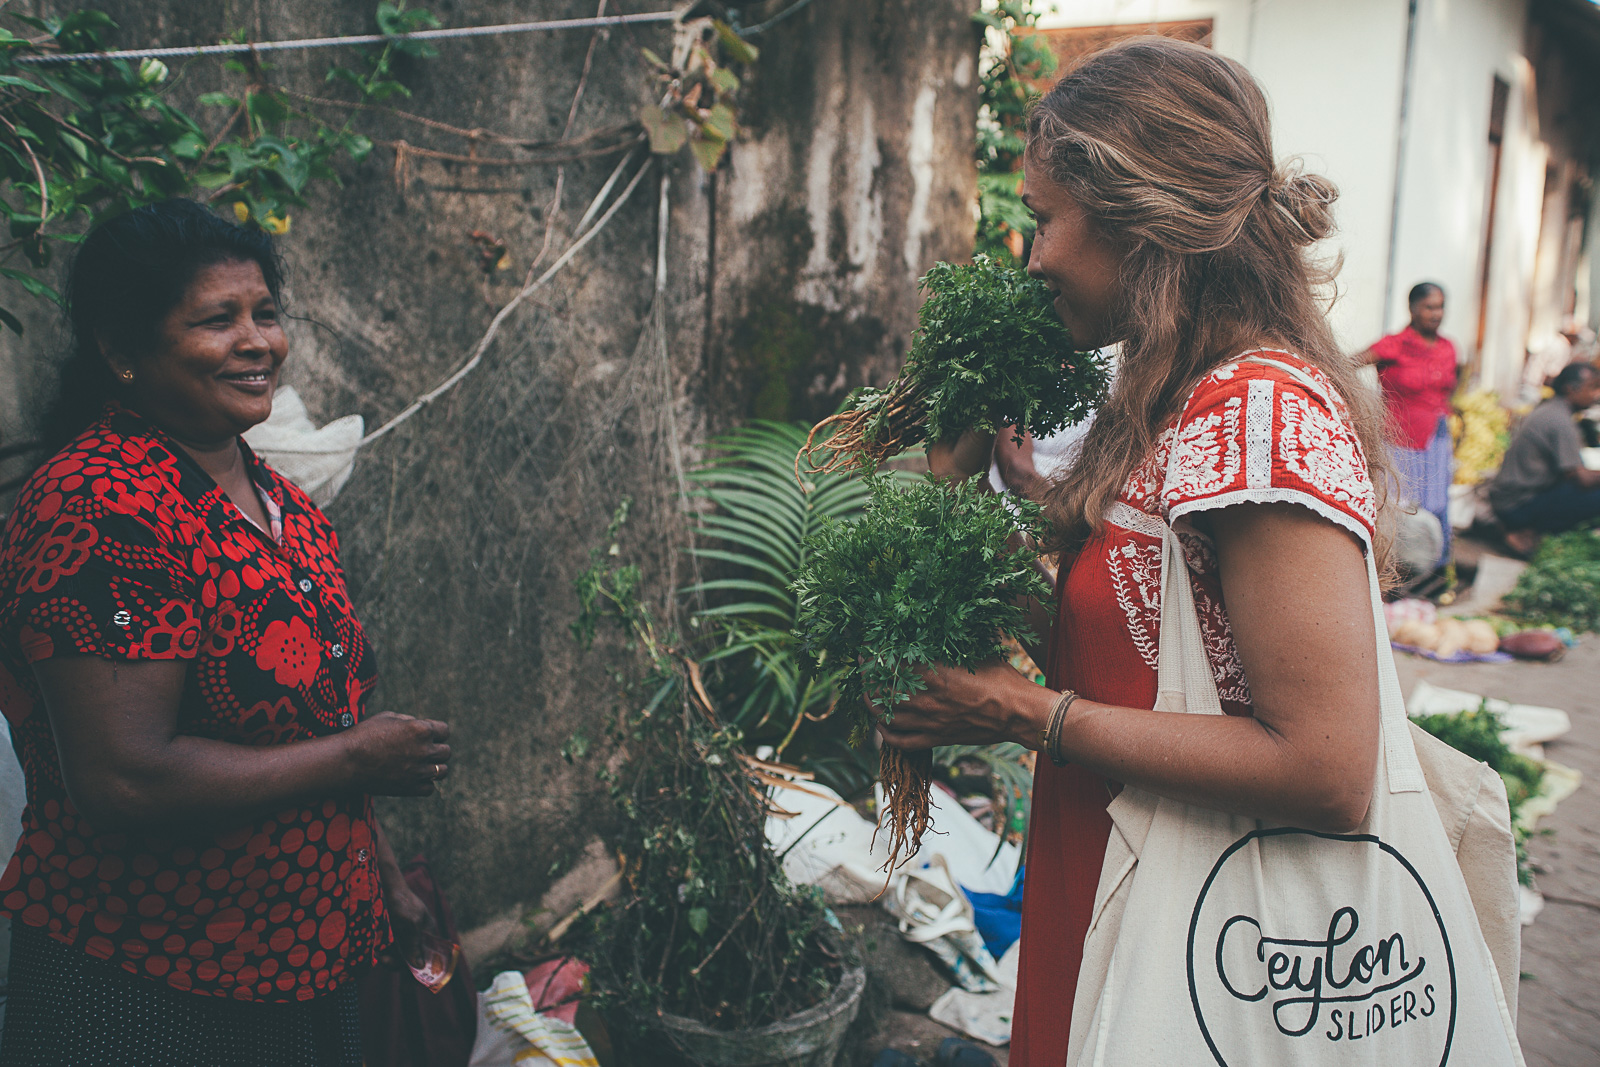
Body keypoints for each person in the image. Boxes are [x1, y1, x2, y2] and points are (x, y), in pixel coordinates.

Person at [877, 39, 1400, 1065]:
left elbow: (1330, 766)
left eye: (1042, 221)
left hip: (1205, 922)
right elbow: (1133, 648)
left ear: (1133, 215)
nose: (1031, 259)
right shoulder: (1168, 396)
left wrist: (1020, 711)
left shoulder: (1258, 413)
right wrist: (961, 476)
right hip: (1110, 864)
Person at [0, 199, 451, 1066]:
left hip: (308, 964)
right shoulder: (101, 504)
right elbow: (124, 777)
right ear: (120, 349)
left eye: (266, 313)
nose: (257, 342)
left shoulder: (283, 506)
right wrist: (363, 758)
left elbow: (316, 723)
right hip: (151, 982)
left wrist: (383, 877)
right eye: (218, 319)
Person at [1358, 282, 1458, 571]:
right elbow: (1346, 364)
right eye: (1429, 307)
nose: (1436, 313)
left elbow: (1452, 385)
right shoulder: (1394, 345)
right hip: (1401, 441)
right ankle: (1395, 573)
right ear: (1412, 308)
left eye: (1440, 307)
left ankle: (1434, 571)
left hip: (1436, 439)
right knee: (1402, 508)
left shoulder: (1447, 347)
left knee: (1436, 505)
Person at [1489, 361, 1600, 555]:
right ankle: (1524, 532)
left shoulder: (1552, 409)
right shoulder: (1560, 420)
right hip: (1516, 505)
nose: (1596, 394)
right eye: (1592, 387)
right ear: (1570, 389)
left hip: (1510, 499)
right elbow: (1581, 478)